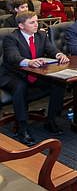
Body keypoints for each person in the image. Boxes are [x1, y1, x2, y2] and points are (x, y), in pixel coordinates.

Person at [2, 11, 69, 145]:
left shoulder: (41, 35)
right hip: (12, 74)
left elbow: (51, 49)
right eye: (32, 22)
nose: (36, 25)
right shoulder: (11, 38)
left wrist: (59, 55)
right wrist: (28, 61)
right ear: (21, 26)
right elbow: (12, 57)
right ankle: (22, 128)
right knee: (20, 86)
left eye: (37, 21)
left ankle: (51, 121)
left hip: (33, 73)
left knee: (58, 84)